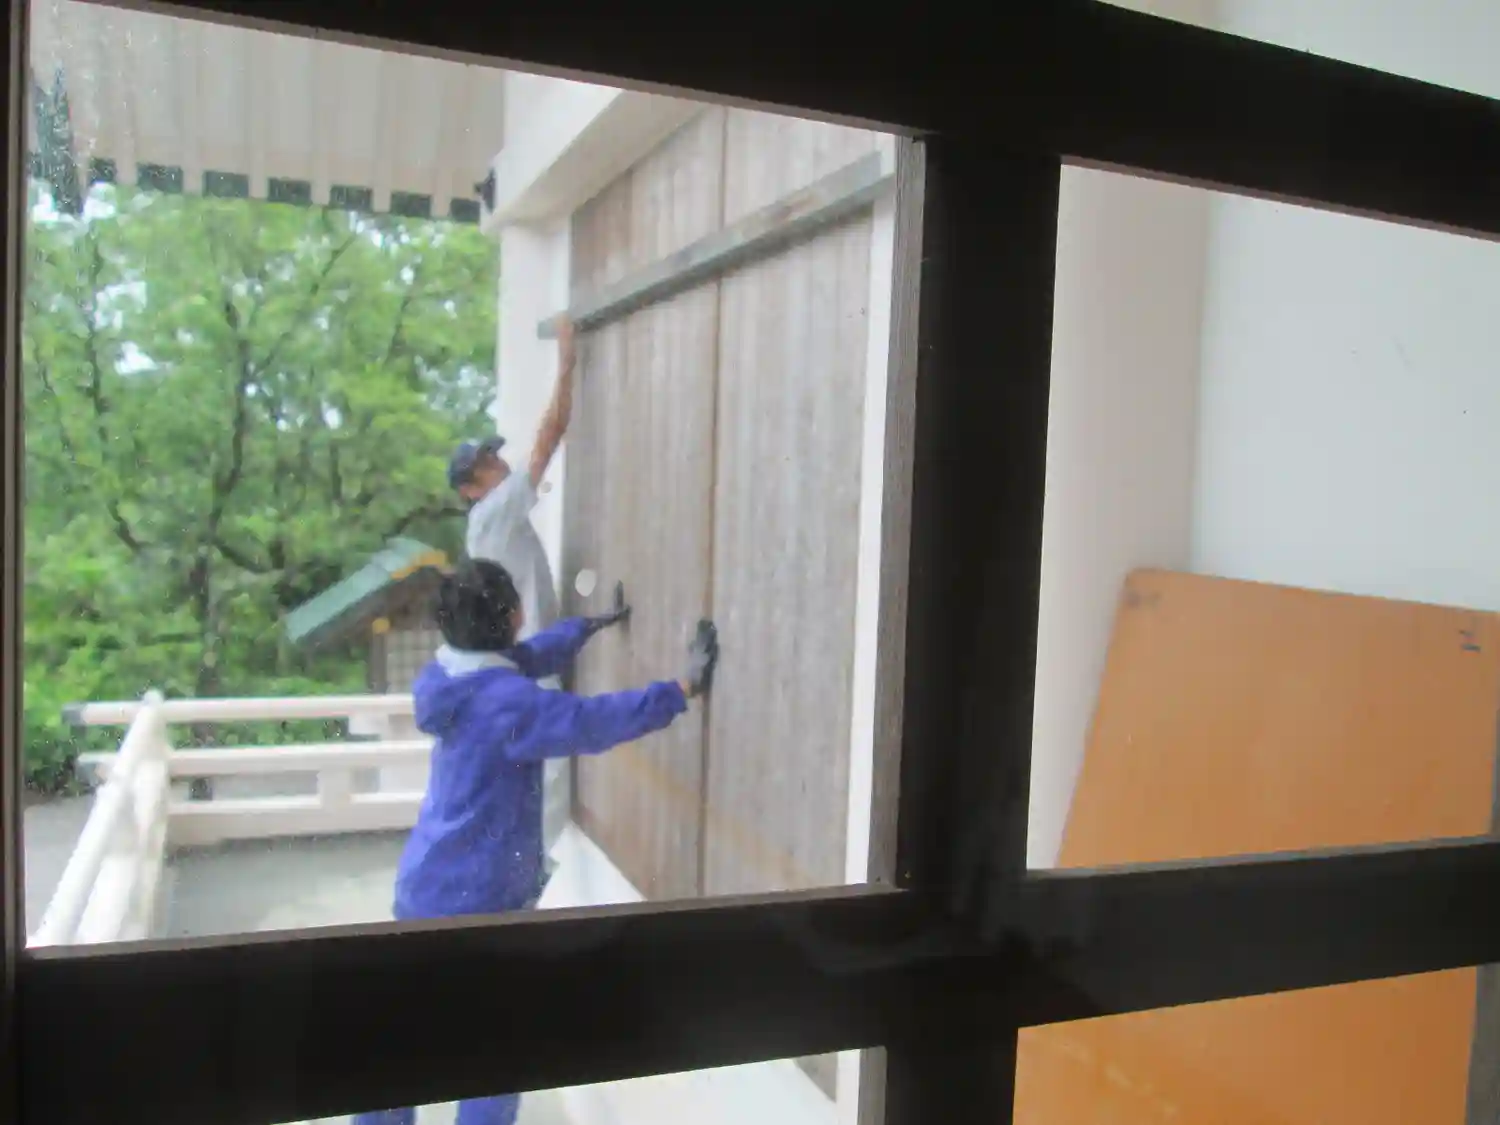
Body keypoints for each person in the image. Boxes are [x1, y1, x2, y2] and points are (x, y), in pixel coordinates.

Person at [352, 558, 719, 1125]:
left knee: (399, 1053)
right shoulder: (508, 704)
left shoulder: (449, 675)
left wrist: (584, 629)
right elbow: (592, 721)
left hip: (425, 889)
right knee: (497, 1055)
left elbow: (523, 659)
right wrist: (681, 688)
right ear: (513, 615)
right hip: (480, 907)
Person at [447, 317, 576, 640]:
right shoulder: (490, 515)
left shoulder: (489, 519)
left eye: (492, 454)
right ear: (468, 490)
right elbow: (550, 436)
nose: (496, 461)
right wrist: (566, 361)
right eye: (483, 464)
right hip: (533, 650)